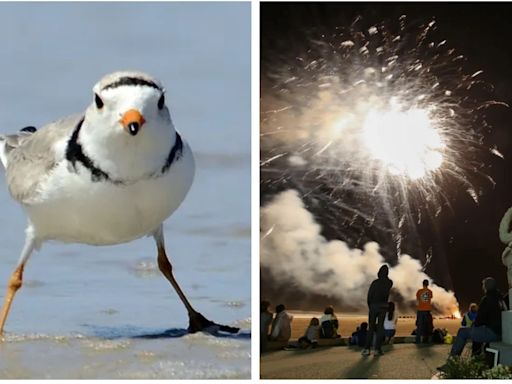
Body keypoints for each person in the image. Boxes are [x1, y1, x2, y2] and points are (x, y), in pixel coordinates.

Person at [438, 277, 506, 369]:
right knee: (475, 332)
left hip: (493, 332)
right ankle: (475, 359)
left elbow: (480, 320)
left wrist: (474, 325)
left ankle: (451, 364)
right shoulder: (500, 299)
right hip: (502, 332)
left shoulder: (487, 299)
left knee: (463, 332)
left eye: (483, 285)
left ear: (486, 287)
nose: (483, 287)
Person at [362, 265, 393, 356]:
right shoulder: (389, 283)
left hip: (374, 306)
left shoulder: (375, 283)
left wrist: (370, 306)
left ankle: (367, 349)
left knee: (371, 328)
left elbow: (370, 295)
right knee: (380, 328)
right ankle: (377, 349)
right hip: (383, 307)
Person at [415, 279, 433, 344]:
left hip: (420, 310)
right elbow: (430, 298)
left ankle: (418, 340)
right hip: (427, 310)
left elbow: (418, 299)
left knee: (419, 326)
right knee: (427, 326)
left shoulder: (419, 291)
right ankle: (427, 340)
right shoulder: (430, 291)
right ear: (428, 284)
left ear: (423, 284)